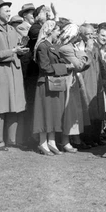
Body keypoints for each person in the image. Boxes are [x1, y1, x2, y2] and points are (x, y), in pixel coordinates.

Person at [0, 0, 29, 151]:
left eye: (10, 11)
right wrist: (14, 51)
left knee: (14, 106)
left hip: (13, 71)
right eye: (7, 11)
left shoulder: (11, 30)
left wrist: (20, 50)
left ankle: (13, 140)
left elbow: (15, 48)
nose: (10, 13)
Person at [32, 20, 73, 155]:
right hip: (45, 84)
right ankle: (43, 142)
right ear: (50, 30)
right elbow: (44, 67)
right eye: (57, 30)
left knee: (54, 114)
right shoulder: (42, 46)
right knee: (45, 113)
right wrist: (65, 67)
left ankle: (51, 141)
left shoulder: (53, 46)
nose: (58, 33)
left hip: (54, 83)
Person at [56, 23, 90, 151]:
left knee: (75, 111)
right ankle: (65, 141)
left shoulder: (70, 47)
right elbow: (80, 65)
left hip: (72, 80)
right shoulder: (66, 48)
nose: (80, 38)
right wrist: (82, 52)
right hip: (68, 81)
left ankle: (74, 138)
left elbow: (85, 64)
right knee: (69, 111)